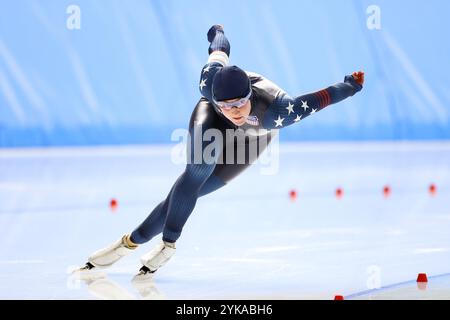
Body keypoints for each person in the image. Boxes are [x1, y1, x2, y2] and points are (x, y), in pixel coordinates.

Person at [77, 25, 364, 280]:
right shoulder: (208, 82)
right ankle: (162, 244)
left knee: (192, 192)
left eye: (238, 104)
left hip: (255, 137)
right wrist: (216, 30)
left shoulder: (278, 111)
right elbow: (219, 49)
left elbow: (321, 99)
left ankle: (132, 241)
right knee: (194, 175)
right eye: (226, 105)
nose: (233, 112)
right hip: (210, 118)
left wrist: (351, 85)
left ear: (249, 96)